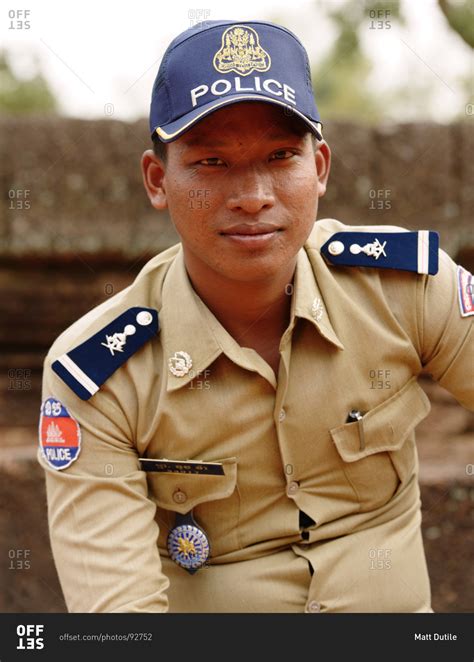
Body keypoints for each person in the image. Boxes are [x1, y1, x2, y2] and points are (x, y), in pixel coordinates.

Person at [38, 19, 473, 613]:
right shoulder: (97, 374)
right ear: (158, 180)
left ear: (319, 167)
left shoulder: (405, 289)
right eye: (213, 161)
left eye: (279, 155)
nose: (253, 194)